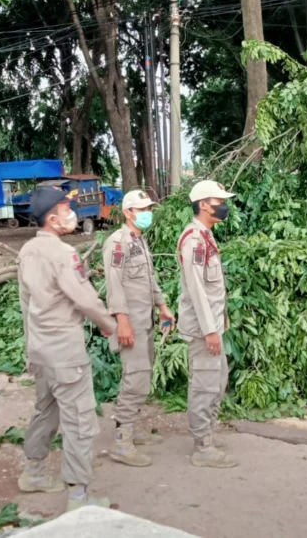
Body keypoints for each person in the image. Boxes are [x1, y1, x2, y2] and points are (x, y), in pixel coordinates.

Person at [16, 186, 117, 511]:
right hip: (65, 353)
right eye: (66, 206)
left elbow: (25, 304)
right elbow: (85, 298)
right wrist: (110, 325)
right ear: (52, 216)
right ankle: (78, 496)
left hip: (41, 351)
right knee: (79, 420)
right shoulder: (62, 254)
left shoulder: (27, 251)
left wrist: (31, 347)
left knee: (46, 410)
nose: (71, 211)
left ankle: (33, 473)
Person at [103, 189, 175, 467]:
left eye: (149, 208)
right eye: (143, 209)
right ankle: (123, 441)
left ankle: (130, 427)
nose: (148, 213)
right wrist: (122, 321)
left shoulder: (139, 240)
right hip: (130, 323)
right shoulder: (118, 243)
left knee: (139, 377)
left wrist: (162, 305)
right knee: (136, 379)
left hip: (145, 321)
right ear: (128, 213)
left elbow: (149, 278)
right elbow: (115, 284)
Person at [178, 179, 238, 469]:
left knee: (217, 381)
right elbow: (196, 289)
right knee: (204, 385)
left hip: (213, 326)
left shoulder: (206, 236)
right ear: (204, 205)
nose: (223, 206)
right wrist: (210, 330)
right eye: (219, 201)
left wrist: (219, 322)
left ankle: (208, 434)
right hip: (204, 330)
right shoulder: (193, 239)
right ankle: (202, 446)